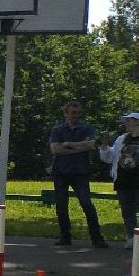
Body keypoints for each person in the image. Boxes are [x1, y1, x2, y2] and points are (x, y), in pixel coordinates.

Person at [48, 100, 108, 247]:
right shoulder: (57, 130)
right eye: (73, 113)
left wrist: (68, 144)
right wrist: (80, 147)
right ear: (66, 114)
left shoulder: (87, 128)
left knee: (86, 204)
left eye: (78, 113)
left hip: (80, 171)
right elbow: (55, 149)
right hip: (60, 171)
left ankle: (97, 238)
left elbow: (91, 145)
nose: (76, 116)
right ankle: (65, 236)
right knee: (61, 206)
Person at [100, 111, 139, 239]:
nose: (125, 123)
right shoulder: (122, 139)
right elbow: (109, 158)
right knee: (127, 212)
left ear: (137, 122)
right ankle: (131, 238)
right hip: (123, 180)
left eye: (128, 120)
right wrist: (104, 146)